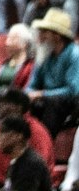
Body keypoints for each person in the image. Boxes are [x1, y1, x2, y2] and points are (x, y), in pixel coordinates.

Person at [27, 7, 79, 135]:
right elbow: (31, 86)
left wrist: (43, 94)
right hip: (46, 101)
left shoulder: (75, 54)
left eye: (44, 32)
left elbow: (73, 91)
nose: (40, 36)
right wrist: (28, 95)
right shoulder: (43, 53)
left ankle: (45, 146)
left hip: (69, 105)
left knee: (54, 103)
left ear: (57, 35)